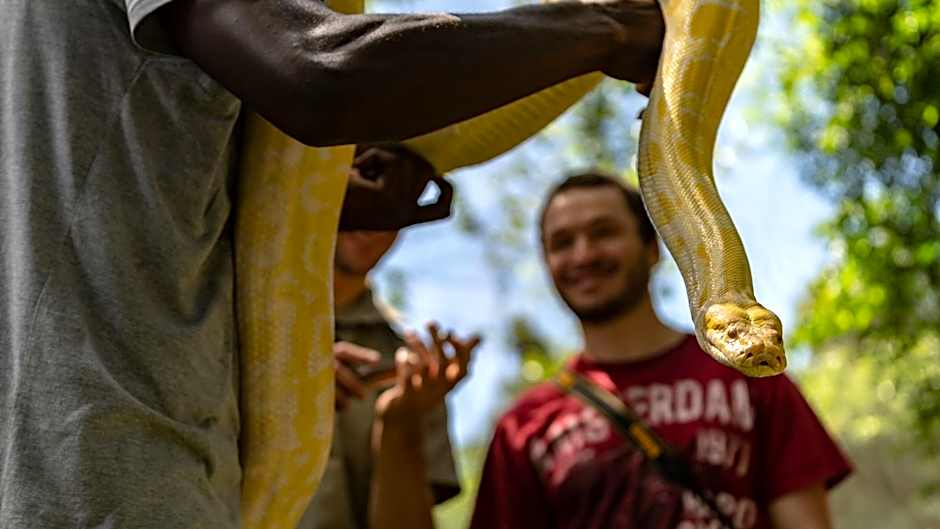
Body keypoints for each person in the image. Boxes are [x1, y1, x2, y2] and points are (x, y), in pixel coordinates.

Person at [0, 0, 664, 526]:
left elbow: (104, 172)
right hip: (106, 473)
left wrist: (332, 197)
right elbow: (318, 74)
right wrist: (602, 27)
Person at [470, 172, 852, 529]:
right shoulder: (524, 427)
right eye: (562, 243)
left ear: (653, 247)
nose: (583, 255)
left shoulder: (752, 373)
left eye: (603, 233)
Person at [298, 148, 477, 529]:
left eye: (401, 194)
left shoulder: (410, 367)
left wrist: (399, 424)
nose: (378, 211)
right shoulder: (225, 317)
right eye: (368, 178)